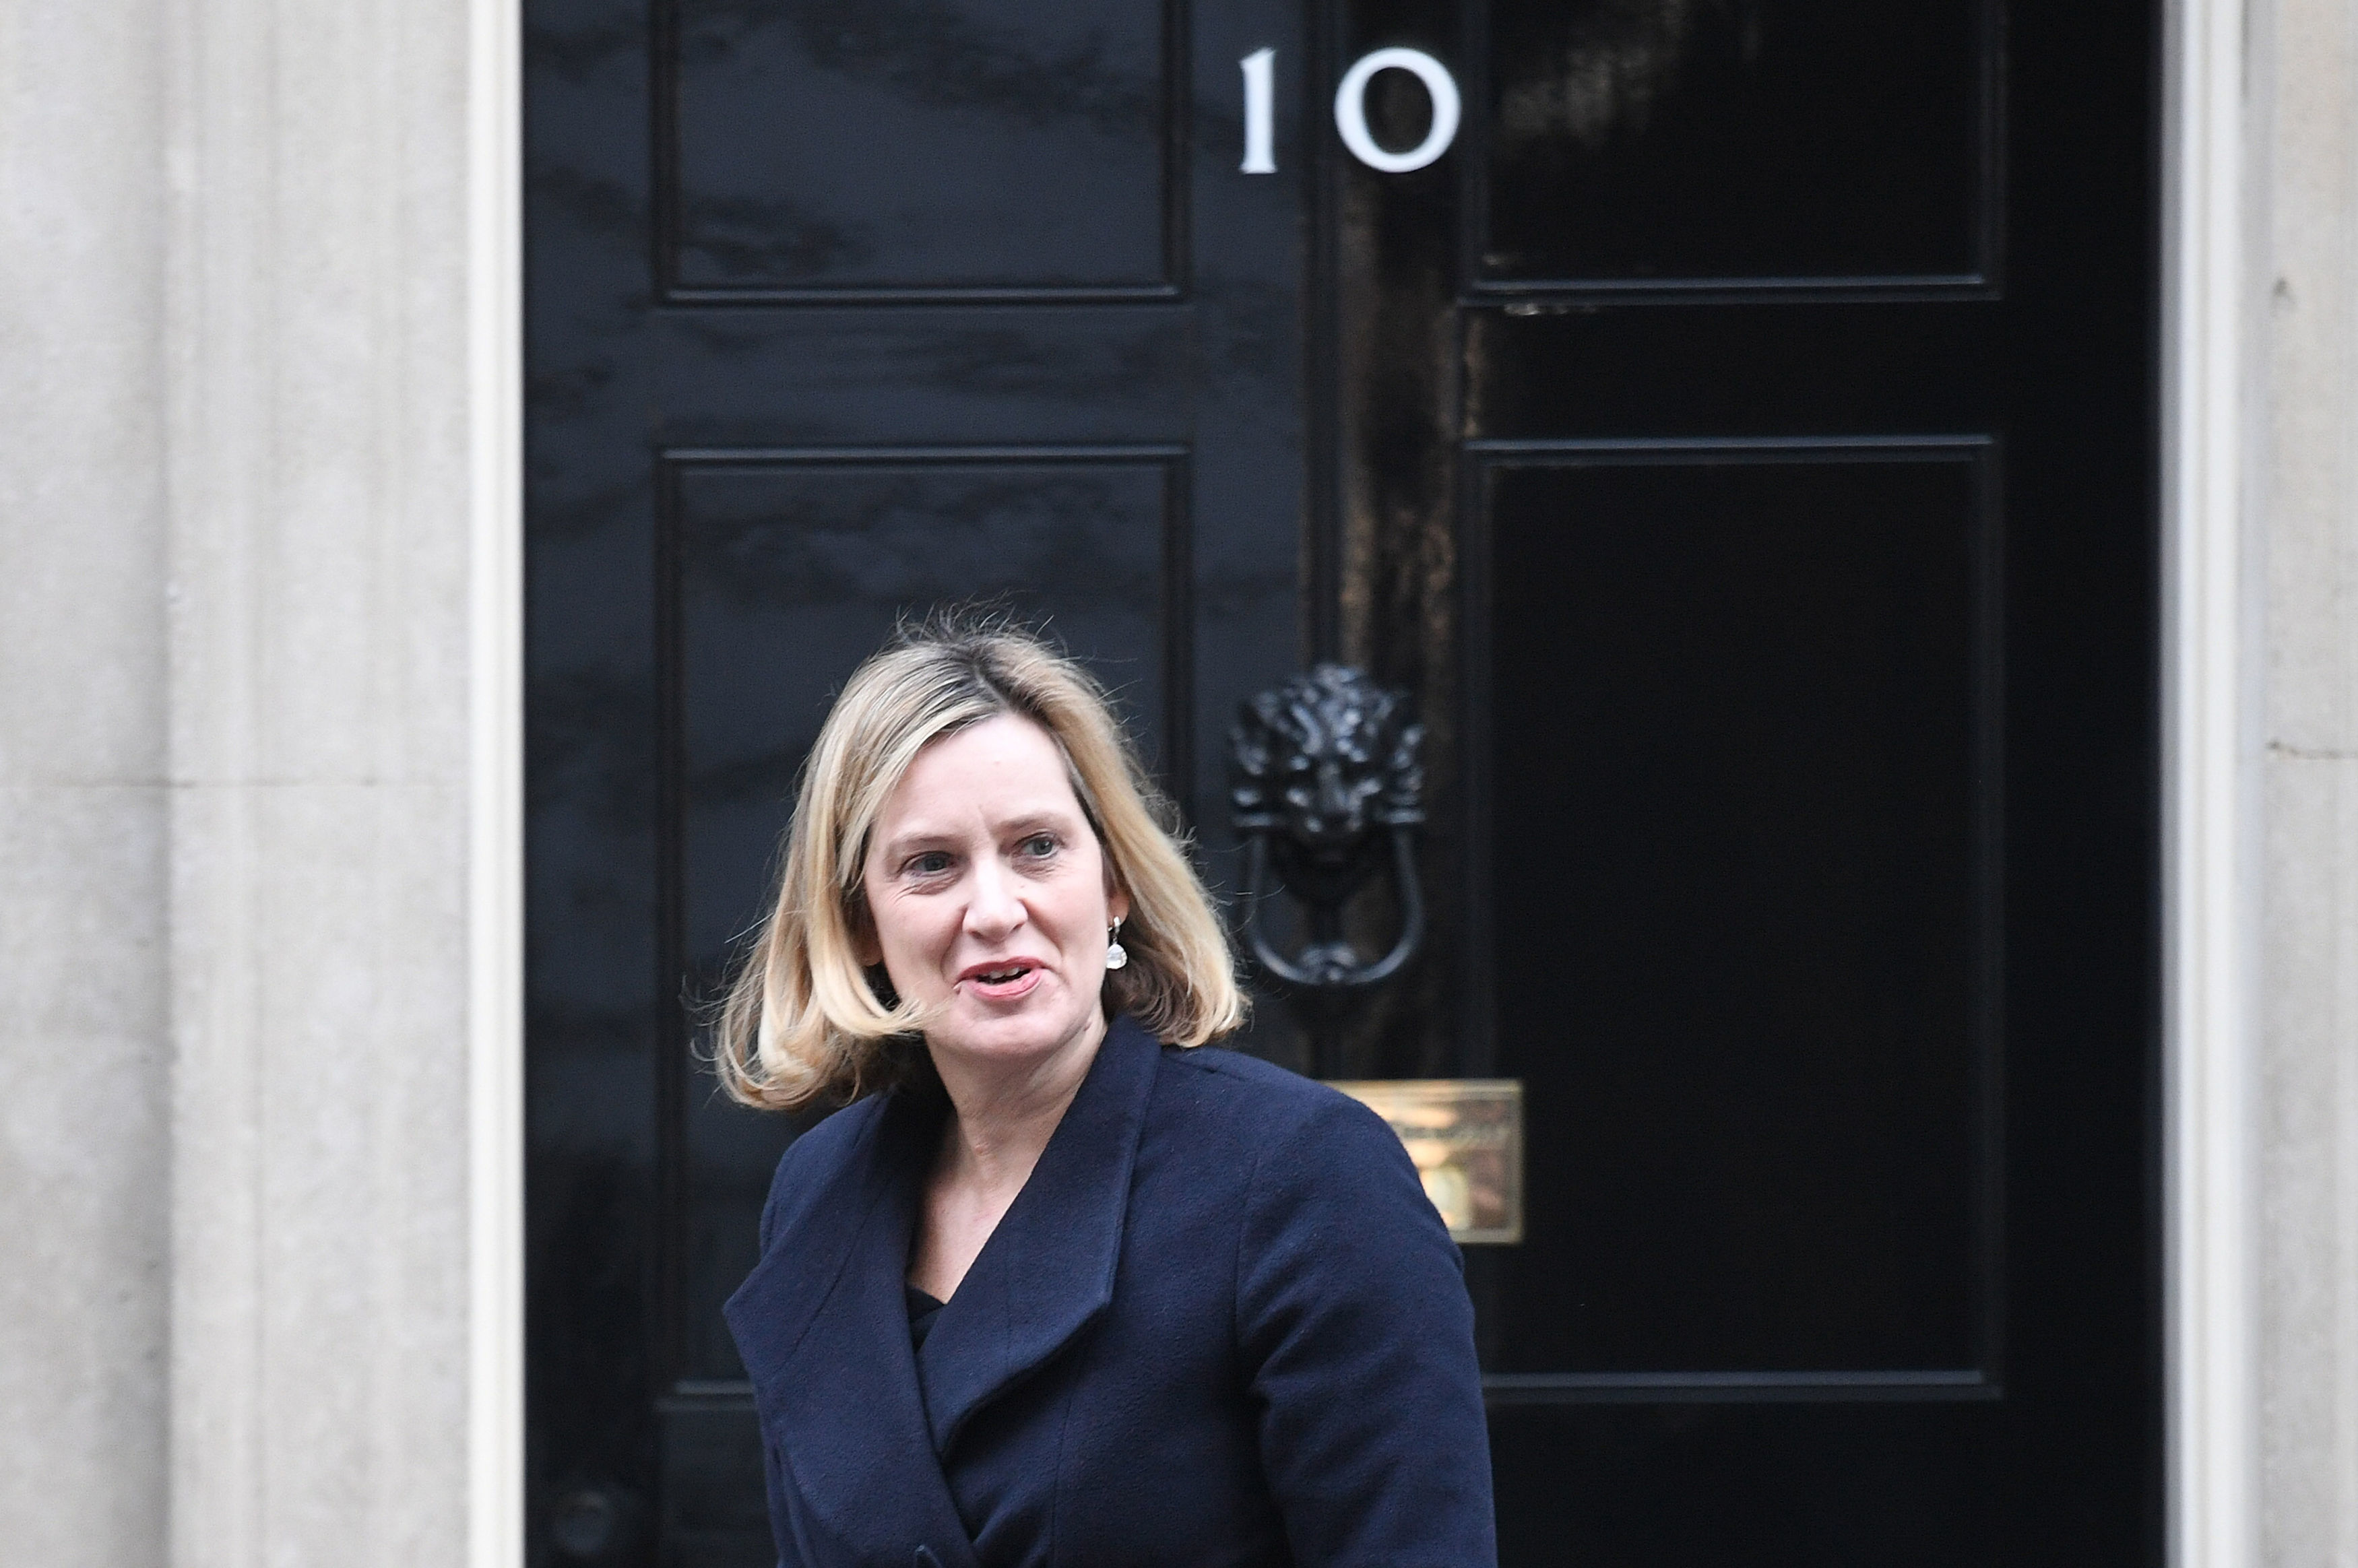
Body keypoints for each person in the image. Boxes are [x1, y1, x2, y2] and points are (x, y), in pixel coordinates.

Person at [715, 615, 1496, 1567]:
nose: (996, 911)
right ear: (860, 922)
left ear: (1115, 880)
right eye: (932, 865)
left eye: (1038, 847)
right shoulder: (822, 1190)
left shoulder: (1302, 1173)